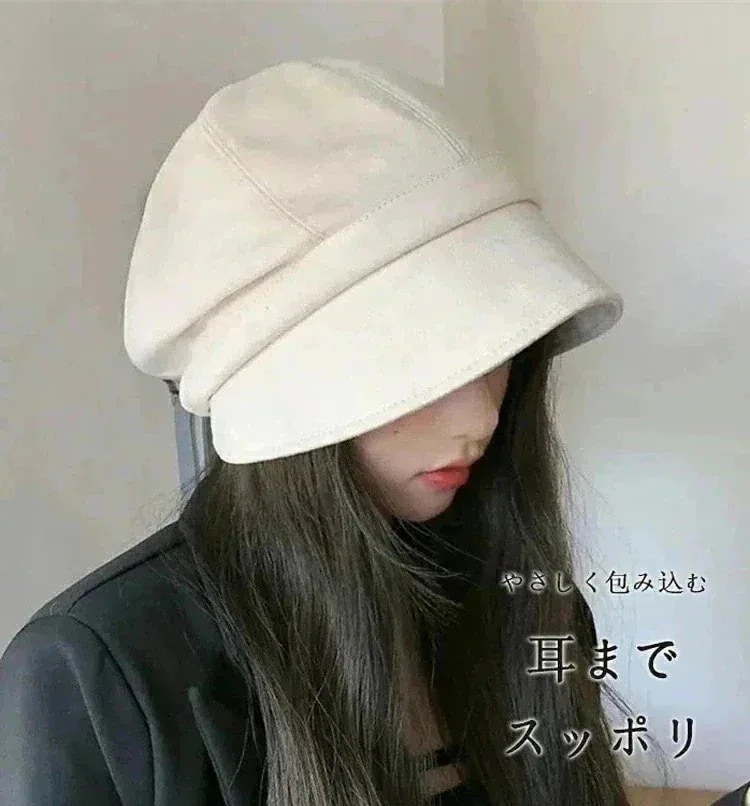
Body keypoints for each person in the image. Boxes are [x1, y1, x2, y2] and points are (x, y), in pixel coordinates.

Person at [1, 58, 747, 806]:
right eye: (419, 366)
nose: (482, 419)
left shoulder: (520, 598)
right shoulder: (100, 673)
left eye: (500, 353)